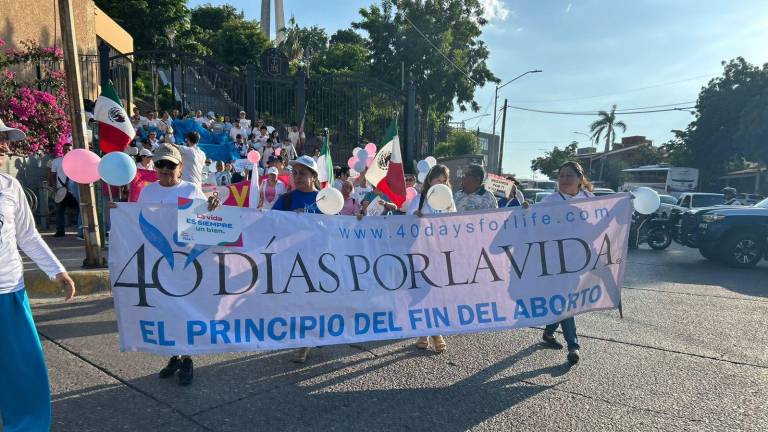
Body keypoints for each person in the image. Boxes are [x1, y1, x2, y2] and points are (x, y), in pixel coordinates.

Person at [110, 145, 220, 385]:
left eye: (170, 165)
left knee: (185, 307)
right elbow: (138, 223)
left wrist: (212, 206)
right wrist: (119, 213)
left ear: (180, 167)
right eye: (160, 164)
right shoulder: (148, 193)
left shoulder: (191, 189)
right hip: (158, 260)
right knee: (166, 308)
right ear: (155, 167)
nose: (165, 169)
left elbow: (206, 221)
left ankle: (188, 358)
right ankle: (174, 356)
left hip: (185, 260)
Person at [0, 120, 77, 431]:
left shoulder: (9, 186)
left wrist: (56, 270)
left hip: (9, 293)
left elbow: (28, 236)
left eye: (5, 139)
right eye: (0, 139)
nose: (5, 146)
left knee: (24, 373)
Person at [539, 161, 594, 365]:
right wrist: (524, 209)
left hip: (579, 260)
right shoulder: (550, 201)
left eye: (569, 176)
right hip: (555, 260)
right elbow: (530, 221)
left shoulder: (590, 200)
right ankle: (573, 346)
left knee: (564, 300)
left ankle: (549, 332)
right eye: (561, 175)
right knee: (566, 299)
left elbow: (601, 221)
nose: (564, 179)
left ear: (580, 179)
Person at [271, 156, 322, 363]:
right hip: (292, 260)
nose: (298, 177)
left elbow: (337, 228)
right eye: (295, 172)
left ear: (314, 176)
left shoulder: (326, 199)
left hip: (320, 260)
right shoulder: (286, 200)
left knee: (315, 302)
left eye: (303, 173)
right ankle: (303, 341)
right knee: (297, 302)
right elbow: (269, 226)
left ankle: (307, 340)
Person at [407, 164, 456, 353]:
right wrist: (415, 217)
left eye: (445, 180)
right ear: (429, 180)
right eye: (438, 179)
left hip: (441, 253)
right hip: (421, 252)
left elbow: (455, 222)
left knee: (437, 293)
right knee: (421, 293)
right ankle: (425, 332)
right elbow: (404, 223)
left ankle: (435, 332)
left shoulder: (448, 201)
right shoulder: (420, 199)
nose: (442, 183)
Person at [48, 143, 78, 237]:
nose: (67, 151)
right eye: (65, 149)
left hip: (73, 189)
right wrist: (54, 187)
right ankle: (60, 231)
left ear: (72, 150)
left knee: (78, 209)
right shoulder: (56, 161)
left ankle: (79, 229)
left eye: (69, 149)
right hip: (60, 189)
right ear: (62, 150)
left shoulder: (76, 161)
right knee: (60, 211)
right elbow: (52, 175)